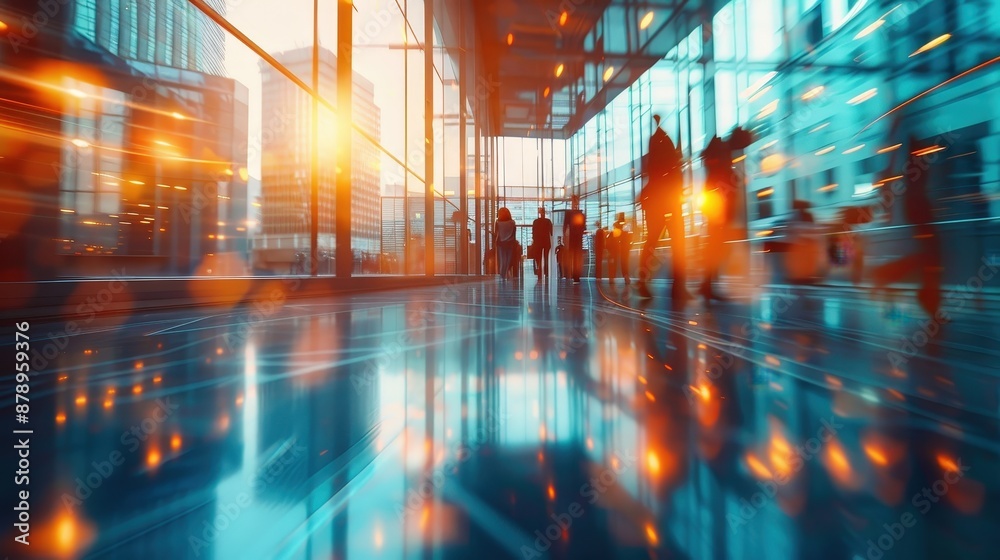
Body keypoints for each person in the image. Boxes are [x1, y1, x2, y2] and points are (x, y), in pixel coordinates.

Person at [637, 114, 690, 301]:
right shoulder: (660, 140)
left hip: (665, 199)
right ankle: (673, 285)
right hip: (664, 200)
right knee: (661, 242)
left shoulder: (660, 140)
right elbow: (660, 170)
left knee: (661, 242)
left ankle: (675, 285)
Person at [699, 135, 735, 303]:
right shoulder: (722, 155)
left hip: (715, 207)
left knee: (715, 248)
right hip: (718, 208)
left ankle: (706, 284)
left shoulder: (715, 157)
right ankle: (706, 285)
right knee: (716, 248)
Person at [563, 195, 586, 283]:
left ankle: (574, 275)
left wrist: (565, 235)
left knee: (574, 257)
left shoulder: (571, 214)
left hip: (574, 238)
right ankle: (575, 275)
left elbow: (566, 226)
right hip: (576, 238)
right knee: (576, 257)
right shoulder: (580, 214)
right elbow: (583, 227)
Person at [494, 207, 517, 282]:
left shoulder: (497, 222)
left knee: (502, 260)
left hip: (501, 243)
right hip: (510, 243)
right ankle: (505, 274)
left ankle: (502, 276)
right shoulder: (512, 222)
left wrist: (495, 242)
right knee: (508, 261)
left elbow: (496, 233)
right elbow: (514, 234)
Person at [609, 212, 631, 284]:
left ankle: (612, 277)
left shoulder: (616, 226)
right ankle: (625, 276)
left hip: (616, 247)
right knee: (624, 262)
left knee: (614, 262)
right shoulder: (625, 226)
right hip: (623, 247)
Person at [532, 207, 554, 279]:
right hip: (546, 241)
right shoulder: (548, 221)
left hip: (538, 241)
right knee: (546, 256)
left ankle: (539, 270)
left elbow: (534, 232)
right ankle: (546, 271)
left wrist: (534, 240)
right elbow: (551, 231)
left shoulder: (535, 221)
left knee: (538, 257)